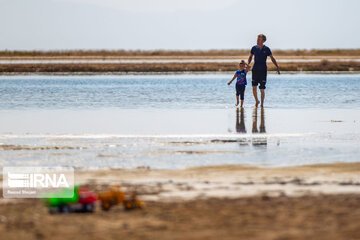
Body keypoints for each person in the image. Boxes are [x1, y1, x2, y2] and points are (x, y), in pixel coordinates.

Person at [248, 34, 280, 108]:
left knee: (262, 88)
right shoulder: (254, 48)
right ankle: (257, 101)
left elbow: (272, 58)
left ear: (263, 40)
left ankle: (262, 105)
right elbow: (250, 57)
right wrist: (248, 64)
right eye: (257, 39)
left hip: (263, 70)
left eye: (259, 39)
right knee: (254, 88)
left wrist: (277, 67)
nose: (257, 40)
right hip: (255, 70)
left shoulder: (267, 49)